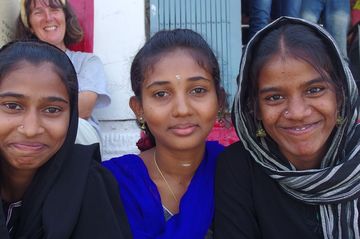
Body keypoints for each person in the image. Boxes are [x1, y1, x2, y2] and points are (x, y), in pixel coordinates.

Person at [214, 16, 360, 238]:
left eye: (314, 90)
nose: (298, 113)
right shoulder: (238, 169)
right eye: (274, 97)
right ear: (254, 107)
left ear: (340, 94)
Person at [0, 40, 132, 239]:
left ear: (72, 116)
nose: (31, 129)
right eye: (12, 106)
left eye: (52, 110)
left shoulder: (88, 185)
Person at [103, 29, 226, 239]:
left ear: (219, 101)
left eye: (198, 90)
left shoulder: (237, 174)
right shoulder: (110, 184)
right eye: (161, 94)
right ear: (138, 108)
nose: (182, 109)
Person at [16, 0, 111, 150]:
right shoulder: (20, 67)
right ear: (30, 26)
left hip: (77, 145)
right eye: (38, 12)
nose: (48, 18)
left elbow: (83, 109)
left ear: (65, 17)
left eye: (54, 10)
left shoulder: (87, 62)